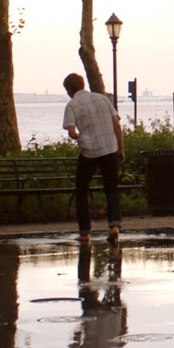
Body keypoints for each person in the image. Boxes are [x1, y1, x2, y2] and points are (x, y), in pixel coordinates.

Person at [62, 72, 124, 242]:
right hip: (110, 148)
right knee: (111, 188)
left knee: (81, 189)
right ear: (83, 84)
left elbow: (72, 131)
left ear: (69, 90)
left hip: (89, 151)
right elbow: (116, 125)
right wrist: (121, 149)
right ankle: (115, 226)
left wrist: (77, 137)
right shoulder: (103, 99)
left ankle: (85, 232)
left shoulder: (72, 105)